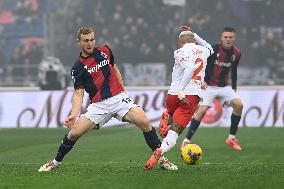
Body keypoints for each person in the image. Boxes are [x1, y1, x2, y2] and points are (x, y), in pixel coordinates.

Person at [38, 26, 177, 172]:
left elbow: (114, 68)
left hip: (119, 99)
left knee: (145, 122)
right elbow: (78, 93)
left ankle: (161, 159)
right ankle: (55, 162)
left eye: (92, 39)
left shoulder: (105, 50)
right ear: (79, 42)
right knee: (74, 133)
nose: (90, 43)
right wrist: (74, 114)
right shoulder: (77, 68)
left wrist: (122, 89)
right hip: (99, 106)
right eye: (86, 40)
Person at [144, 26, 213, 170]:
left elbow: (187, 66)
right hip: (190, 96)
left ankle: (168, 114)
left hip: (172, 94)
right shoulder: (205, 50)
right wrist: (194, 33)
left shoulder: (178, 52)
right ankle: (160, 150)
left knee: (172, 111)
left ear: (180, 43)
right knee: (175, 132)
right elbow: (198, 61)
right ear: (194, 41)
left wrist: (179, 90)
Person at [181, 27, 243, 151]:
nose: (228, 39)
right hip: (208, 86)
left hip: (224, 87)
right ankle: (186, 141)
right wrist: (201, 80)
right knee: (202, 111)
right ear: (221, 38)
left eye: (230, 37)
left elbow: (234, 71)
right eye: (226, 37)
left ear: (234, 38)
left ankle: (231, 138)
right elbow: (201, 63)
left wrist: (234, 89)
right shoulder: (214, 49)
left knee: (239, 105)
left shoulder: (236, 53)